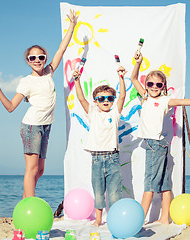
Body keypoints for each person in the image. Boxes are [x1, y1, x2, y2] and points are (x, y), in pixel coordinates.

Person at [0, 10, 78, 199]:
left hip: (46, 125)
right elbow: (11, 107)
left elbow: (62, 49)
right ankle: (29, 203)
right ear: (28, 61)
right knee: (32, 168)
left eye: (41, 57)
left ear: (45, 59)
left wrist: (72, 26)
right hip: (32, 126)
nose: (37, 60)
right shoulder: (26, 81)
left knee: (41, 169)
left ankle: (26, 198)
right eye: (33, 58)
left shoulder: (49, 73)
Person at [131, 51, 190, 224]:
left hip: (156, 145)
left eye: (158, 84)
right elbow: (133, 79)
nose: (154, 86)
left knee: (149, 185)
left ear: (163, 87)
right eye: (151, 83)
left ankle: (139, 221)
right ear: (146, 85)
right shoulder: (145, 98)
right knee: (163, 184)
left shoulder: (164, 101)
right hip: (157, 145)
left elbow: (182, 102)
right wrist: (138, 63)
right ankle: (164, 219)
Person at [72, 64, 127, 226]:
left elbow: (122, 97)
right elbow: (81, 98)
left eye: (109, 98)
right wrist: (77, 80)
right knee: (98, 192)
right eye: (101, 98)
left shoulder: (115, 113)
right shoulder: (93, 113)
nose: (105, 101)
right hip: (96, 158)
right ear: (95, 101)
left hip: (113, 158)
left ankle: (115, 219)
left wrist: (121, 78)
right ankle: (98, 220)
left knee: (114, 193)